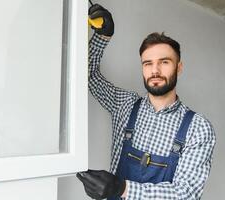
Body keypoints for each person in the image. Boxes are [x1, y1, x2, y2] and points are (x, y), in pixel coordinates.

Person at [76, 4, 216, 200]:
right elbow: (86, 76)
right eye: (148, 63)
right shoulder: (124, 105)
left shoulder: (198, 128)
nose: (155, 70)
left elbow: (187, 194)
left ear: (179, 67)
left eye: (164, 62)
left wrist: (122, 188)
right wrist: (102, 37)